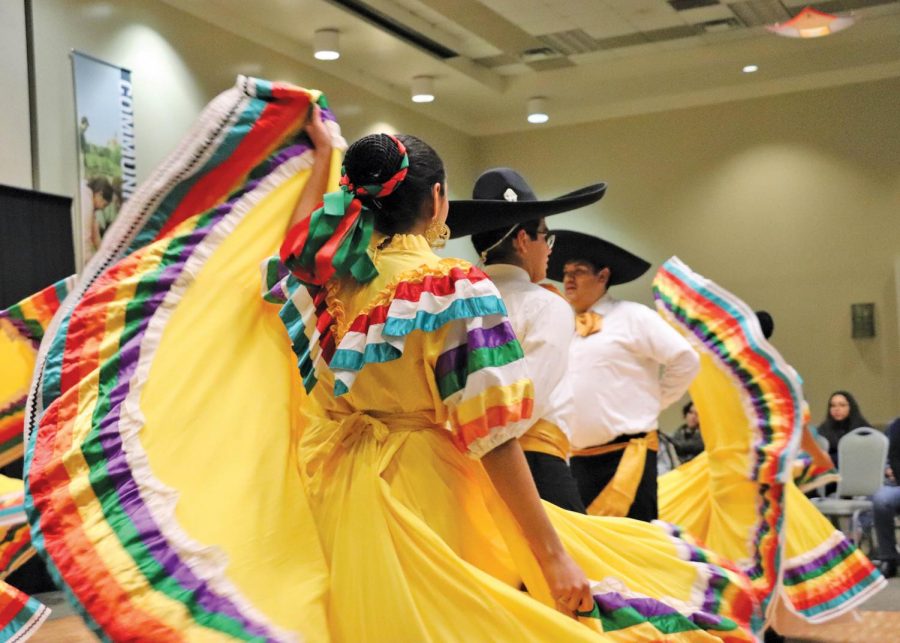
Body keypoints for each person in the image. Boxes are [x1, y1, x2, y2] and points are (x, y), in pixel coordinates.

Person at [24, 81, 759, 641]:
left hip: (342, 487)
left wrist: (315, 154)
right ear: (439, 202)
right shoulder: (449, 285)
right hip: (429, 483)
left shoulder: (335, 285)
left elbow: (293, 248)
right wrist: (554, 552)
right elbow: (495, 434)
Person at [655, 258, 885, 630]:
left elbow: (797, 423)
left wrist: (815, 457)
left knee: (744, 545)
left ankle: (745, 619)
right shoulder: (771, 379)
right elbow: (799, 424)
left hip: (733, 470)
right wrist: (818, 458)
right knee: (763, 546)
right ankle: (757, 620)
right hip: (750, 471)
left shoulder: (727, 376)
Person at [447, 167, 607, 512]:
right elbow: (522, 405)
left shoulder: (453, 304)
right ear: (522, 240)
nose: (549, 251)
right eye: (545, 237)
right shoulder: (545, 305)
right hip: (530, 468)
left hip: (455, 471)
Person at [547, 231, 699, 521]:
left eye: (578, 272)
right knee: (589, 549)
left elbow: (685, 358)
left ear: (603, 276)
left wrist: (656, 401)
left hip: (629, 454)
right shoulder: (564, 326)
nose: (568, 279)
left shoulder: (633, 316)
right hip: (577, 459)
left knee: (634, 545)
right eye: (565, 273)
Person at [873, 417, 900, 578]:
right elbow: (886, 457)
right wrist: (887, 468)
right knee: (881, 499)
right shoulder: (895, 426)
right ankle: (889, 558)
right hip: (897, 484)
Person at [817, 391, 871, 466]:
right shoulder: (823, 429)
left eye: (842, 405)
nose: (837, 409)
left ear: (851, 407)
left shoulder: (863, 429)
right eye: (833, 405)